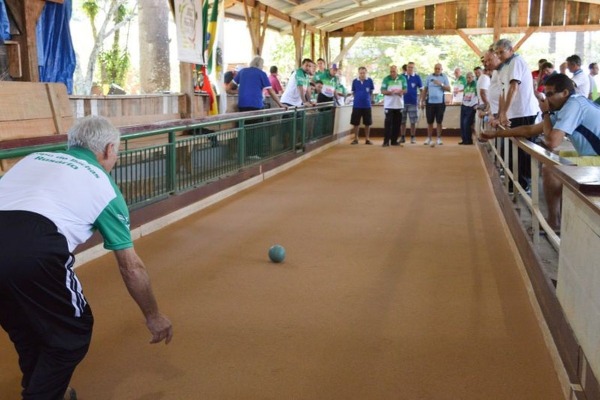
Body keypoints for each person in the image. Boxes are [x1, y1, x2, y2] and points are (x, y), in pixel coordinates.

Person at [0, 116, 173, 399]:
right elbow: (131, 267)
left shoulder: (33, 159)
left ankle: (40, 388)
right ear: (107, 150)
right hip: (34, 247)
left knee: (25, 326)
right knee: (72, 334)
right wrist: (153, 315)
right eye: (116, 151)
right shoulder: (104, 187)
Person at [482, 74, 600, 232]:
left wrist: (545, 113)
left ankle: (554, 221)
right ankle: (560, 218)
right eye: (546, 94)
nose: (547, 99)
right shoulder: (566, 106)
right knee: (555, 163)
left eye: (550, 94)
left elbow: (551, 142)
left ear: (565, 93)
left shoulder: (574, 105)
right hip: (591, 156)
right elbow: (530, 129)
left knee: (550, 169)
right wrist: (495, 134)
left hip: (596, 159)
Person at [494, 38, 540, 191]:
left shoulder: (516, 62)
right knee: (515, 148)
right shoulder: (504, 67)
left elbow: (514, 88)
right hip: (514, 113)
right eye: (497, 53)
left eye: (501, 52)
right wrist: (501, 113)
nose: (499, 55)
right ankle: (516, 181)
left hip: (524, 111)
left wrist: (504, 112)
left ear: (511, 50)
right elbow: (503, 92)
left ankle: (524, 184)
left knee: (524, 150)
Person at [420, 63, 451, 147]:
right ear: (434, 69)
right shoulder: (429, 77)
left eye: (439, 69)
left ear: (441, 69)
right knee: (429, 121)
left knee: (439, 121)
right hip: (430, 103)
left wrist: (440, 84)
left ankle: (439, 138)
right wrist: (422, 101)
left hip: (440, 103)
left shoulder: (444, 77)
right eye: (436, 68)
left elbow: (449, 88)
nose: (437, 70)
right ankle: (429, 138)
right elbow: (425, 89)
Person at [380, 65, 407, 147]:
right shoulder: (386, 79)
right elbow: (383, 91)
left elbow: (405, 90)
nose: (392, 73)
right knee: (388, 123)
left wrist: (400, 92)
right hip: (389, 105)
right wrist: (391, 92)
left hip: (399, 105)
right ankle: (386, 141)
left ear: (397, 71)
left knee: (397, 124)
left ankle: (394, 141)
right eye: (391, 71)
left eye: (394, 71)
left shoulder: (402, 78)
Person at [349, 66, 375, 145]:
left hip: (367, 105)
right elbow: (353, 92)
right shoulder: (355, 81)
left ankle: (367, 139)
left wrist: (368, 99)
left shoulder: (369, 81)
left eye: (363, 73)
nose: (362, 74)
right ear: (358, 73)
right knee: (356, 123)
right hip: (356, 105)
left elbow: (371, 92)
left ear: (366, 73)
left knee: (367, 123)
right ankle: (356, 139)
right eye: (361, 73)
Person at [400, 61, 423, 144]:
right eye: (409, 67)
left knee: (413, 121)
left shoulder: (417, 77)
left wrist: (421, 101)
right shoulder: (401, 77)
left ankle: (413, 137)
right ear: (406, 68)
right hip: (402, 103)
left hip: (413, 102)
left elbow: (421, 90)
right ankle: (402, 137)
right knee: (402, 121)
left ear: (414, 68)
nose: (410, 69)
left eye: (412, 67)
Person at [459, 71, 478, 145]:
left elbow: (479, 95)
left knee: (466, 123)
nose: (468, 79)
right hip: (464, 105)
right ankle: (464, 139)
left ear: (473, 77)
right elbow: (464, 94)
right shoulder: (466, 85)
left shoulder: (476, 85)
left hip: (471, 106)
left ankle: (468, 140)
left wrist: (476, 104)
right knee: (462, 123)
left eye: (470, 77)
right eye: (467, 77)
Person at [474, 63, 490, 139]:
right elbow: (482, 92)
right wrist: (487, 105)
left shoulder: (481, 78)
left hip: (481, 103)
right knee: (485, 126)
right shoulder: (485, 78)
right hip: (484, 104)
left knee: (483, 126)